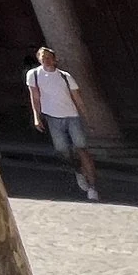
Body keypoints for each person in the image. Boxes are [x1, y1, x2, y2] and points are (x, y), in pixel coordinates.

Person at [26, 46, 101, 200]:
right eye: (42, 57)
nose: (46, 60)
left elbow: (78, 99)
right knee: (62, 150)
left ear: (54, 60)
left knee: (82, 148)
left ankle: (92, 187)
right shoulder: (33, 75)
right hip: (53, 117)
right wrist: (36, 116)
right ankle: (79, 171)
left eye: (48, 57)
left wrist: (87, 118)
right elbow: (35, 97)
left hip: (72, 116)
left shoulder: (65, 76)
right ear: (38, 59)